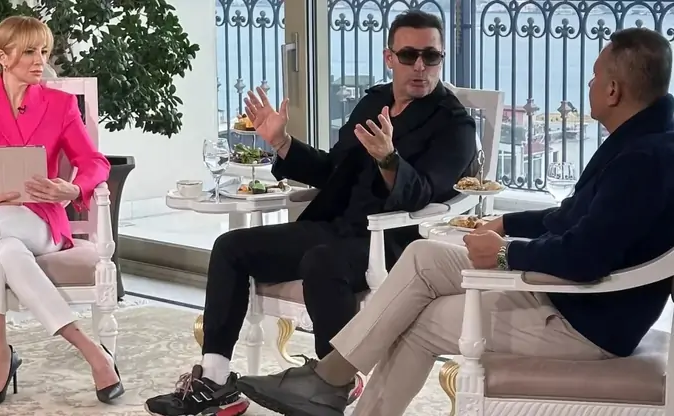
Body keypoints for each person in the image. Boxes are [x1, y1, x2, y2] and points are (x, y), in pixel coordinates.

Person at [235, 26, 674, 416]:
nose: (589, 84)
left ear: (613, 91)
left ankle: (329, 383)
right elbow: (574, 217)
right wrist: (506, 225)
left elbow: (585, 257)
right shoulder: (641, 141)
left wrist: (505, 255)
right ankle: (330, 380)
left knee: (419, 321)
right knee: (424, 255)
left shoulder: (643, 160)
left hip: (584, 322)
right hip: (566, 294)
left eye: (595, 77)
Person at [144, 10, 479, 416]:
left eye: (432, 56)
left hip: (392, 241)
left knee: (323, 260)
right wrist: (282, 142)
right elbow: (333, 169)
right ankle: (215, 381)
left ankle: (335, 383)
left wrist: (389, 160)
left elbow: (424, 195)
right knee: (230, 247)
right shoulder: (374, 101)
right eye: (409, 55)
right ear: (389, 57)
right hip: (335, 226)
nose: (421, 66)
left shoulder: (455, 125)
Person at [0, 16, 123, 408]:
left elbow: (94, 162)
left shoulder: (60, 105)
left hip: (42, 221)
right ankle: (92, 352)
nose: (41, 61)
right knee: (4, 248)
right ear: (3, 57)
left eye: (44, 51)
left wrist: (73, 188)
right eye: (30, 52)